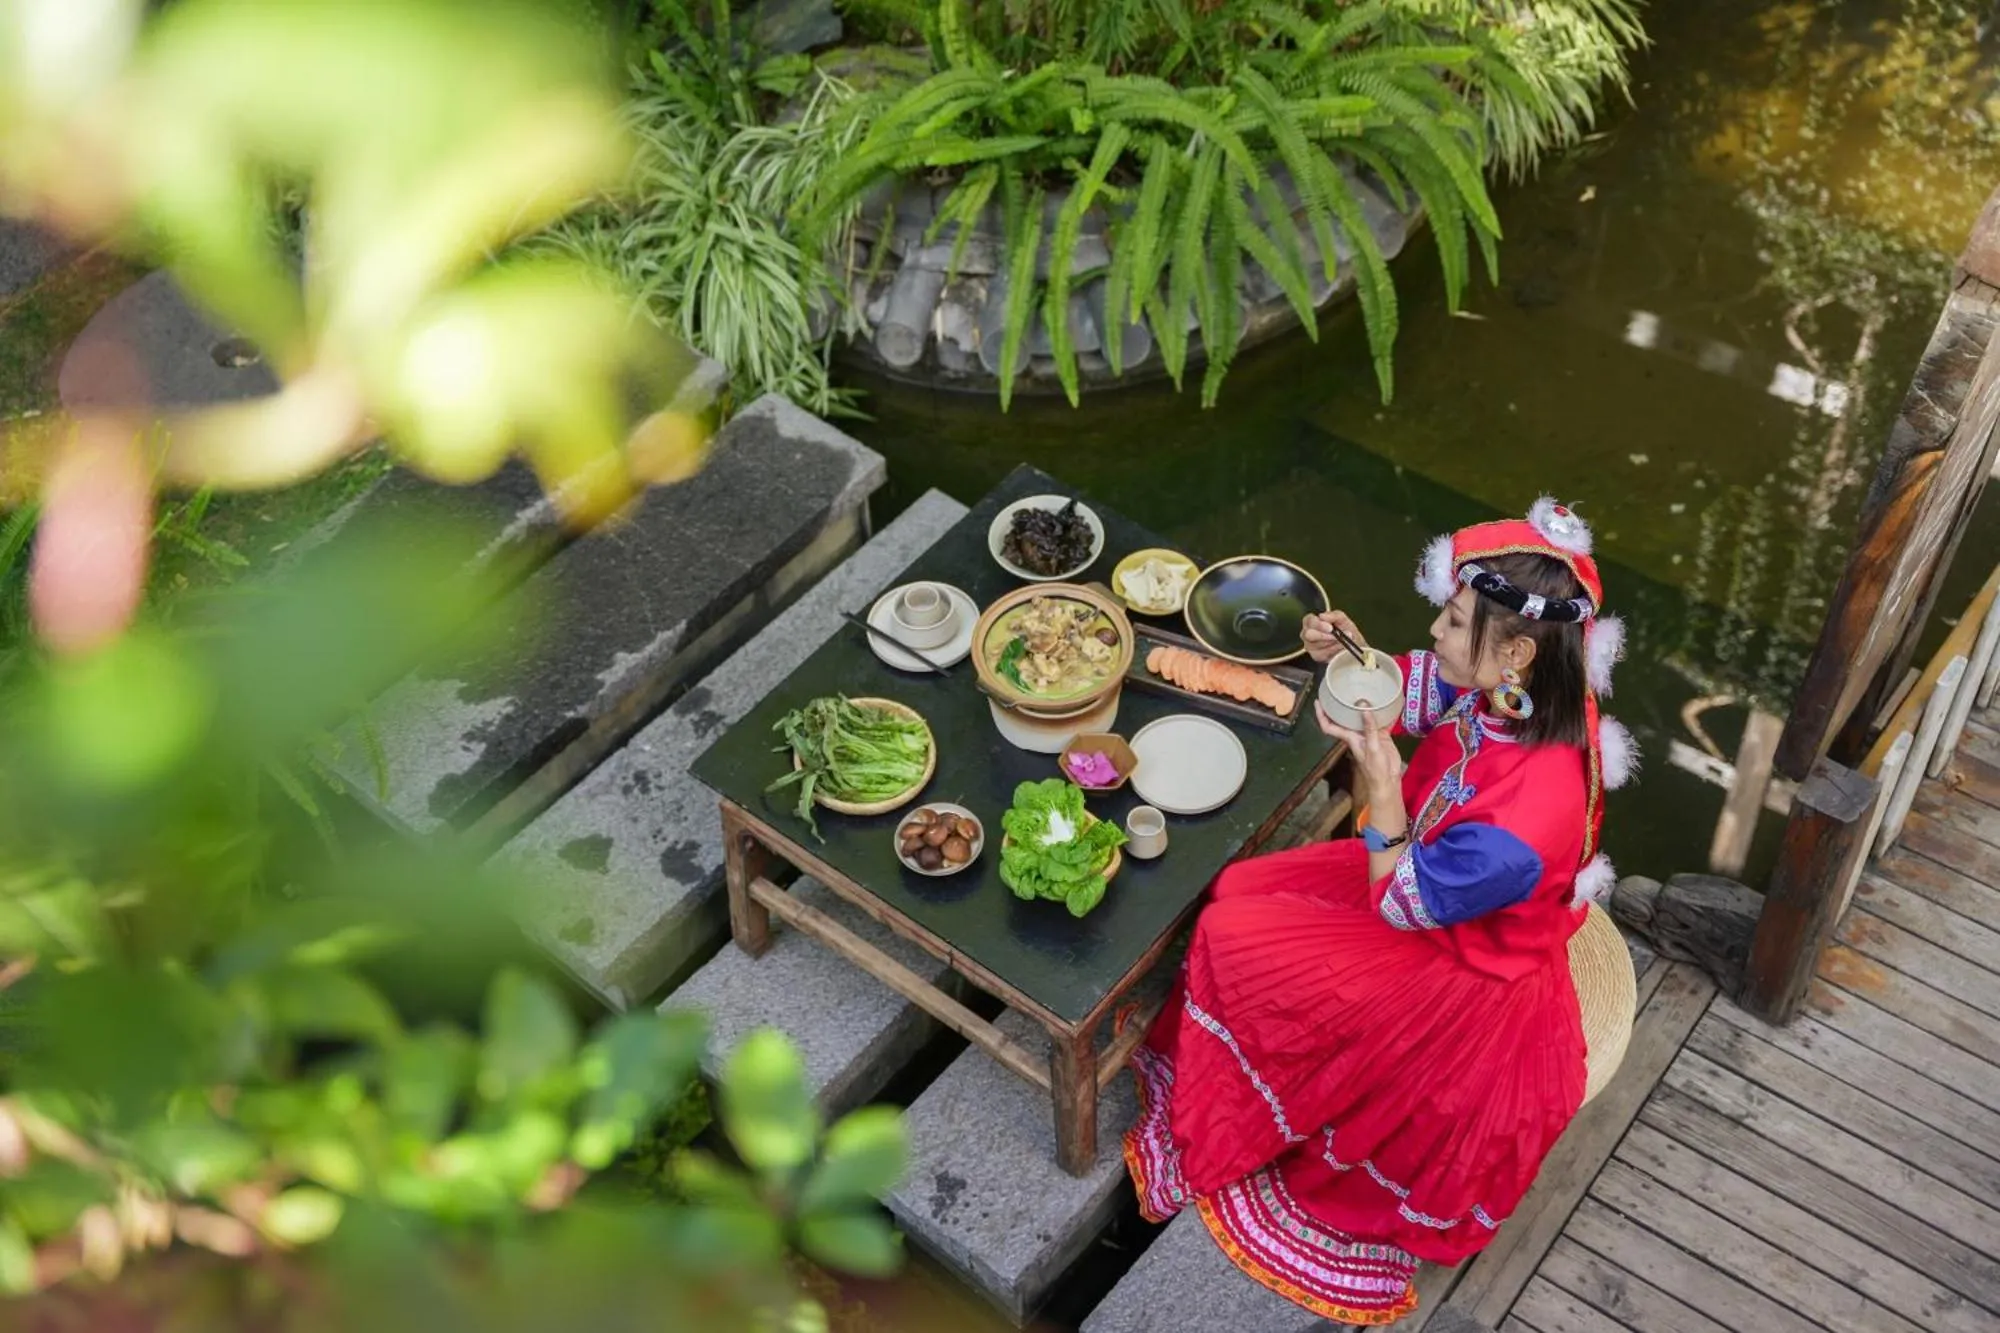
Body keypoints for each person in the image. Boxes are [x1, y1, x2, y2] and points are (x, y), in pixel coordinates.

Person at [1119, 500, 1638, 1324]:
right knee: (1237, 892)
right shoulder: (1530, 692)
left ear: (1517, 648)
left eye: (1455, 618)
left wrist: (1386, 787)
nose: (1434, 629)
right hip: (1427, 884)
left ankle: (1258, 1111)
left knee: (1231, 932)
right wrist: (1347, 657)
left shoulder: (1523, 826)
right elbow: (1426, 692)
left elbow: (1400, 899)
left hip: (1448, 956)